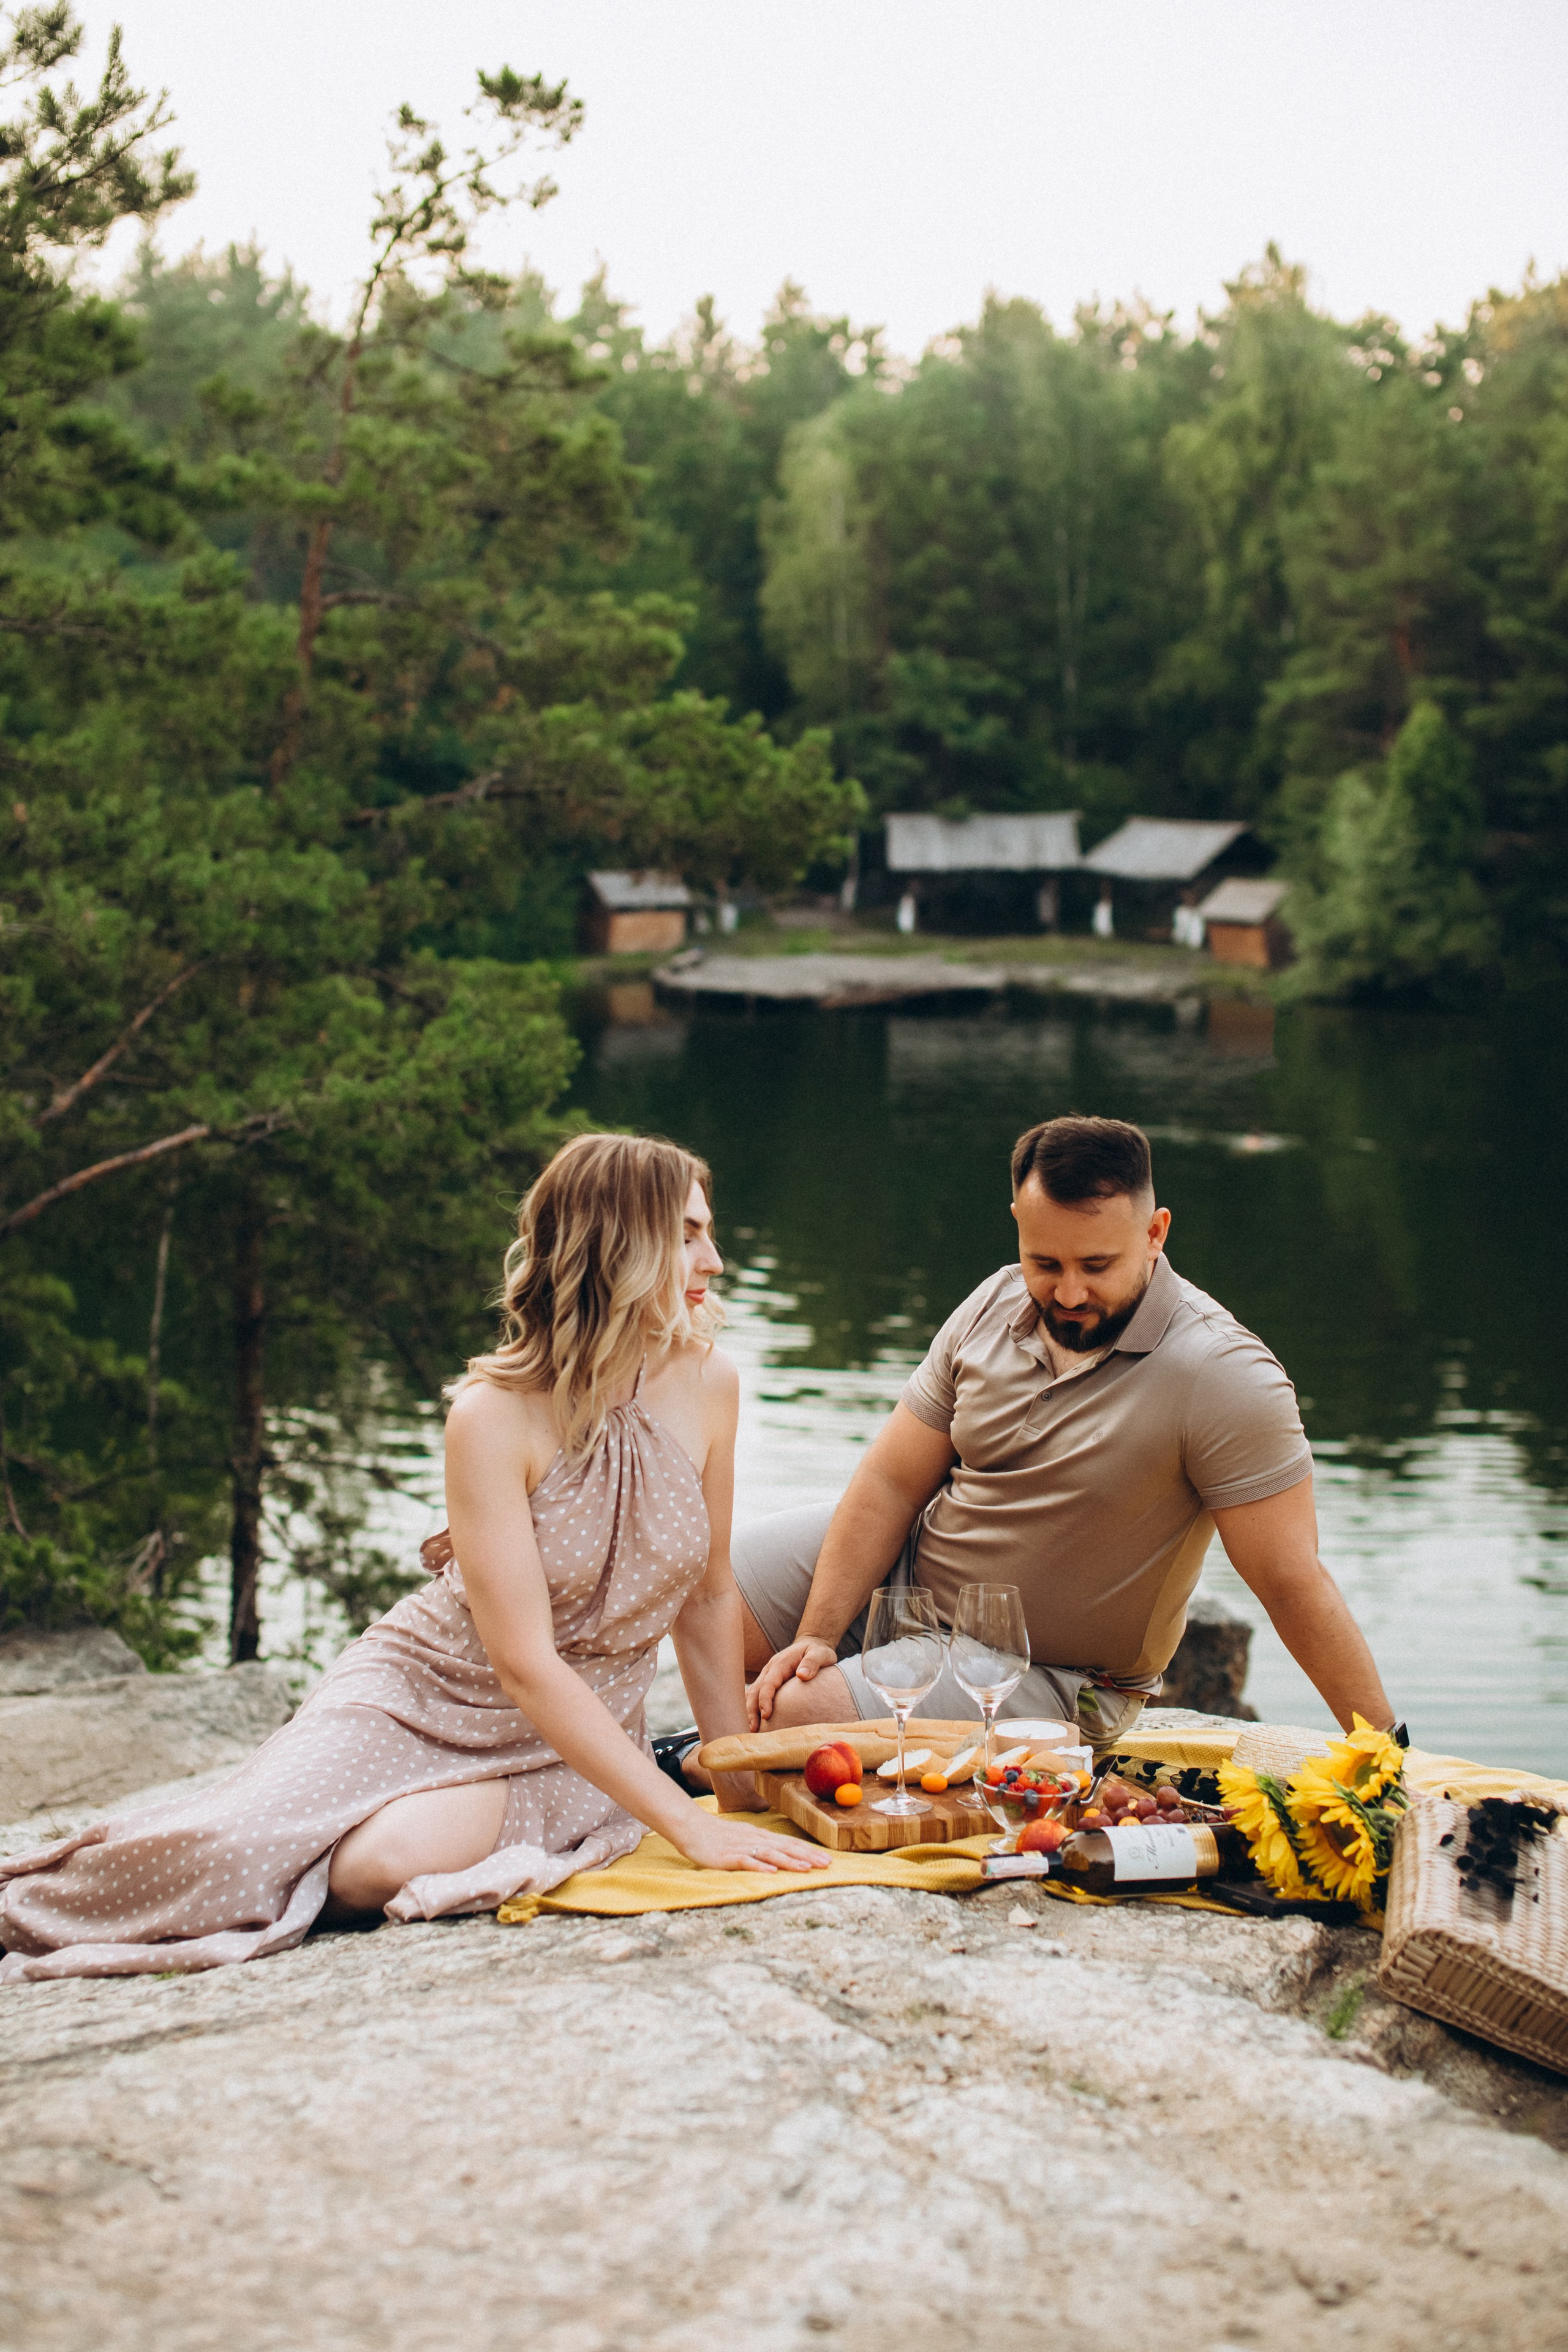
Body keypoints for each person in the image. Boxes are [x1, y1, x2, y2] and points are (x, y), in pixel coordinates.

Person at [1, 1134, 824, 1983]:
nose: (715, 1261)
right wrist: (685, 1828)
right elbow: (524, 1663)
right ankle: (19, 1917)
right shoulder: (493, 1415)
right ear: (618, 1243)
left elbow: (709, 1597)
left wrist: (738, 1794)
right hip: (420, 1690)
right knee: (229, 1845)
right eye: (689, 1234)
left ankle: (611, 1784)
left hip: (574, 1742)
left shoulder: (710, 1382)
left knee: (374, 1868)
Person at [739, 1115, 1398, 1754]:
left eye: (1097, 1264)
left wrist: (1386, 1752)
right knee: (707, 1592)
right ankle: (711, 1760)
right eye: (1045, 1262)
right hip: (911, 1580)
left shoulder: (1223, 1375)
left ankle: (690, 1760)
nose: (1071, 1292)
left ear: (1155, 1233)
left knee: (793, 1720)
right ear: (1017, 1226)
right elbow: (889, 1482)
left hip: (1052, 1676)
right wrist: (818, 1636)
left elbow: (1291, 1581)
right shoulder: (992, 1303)